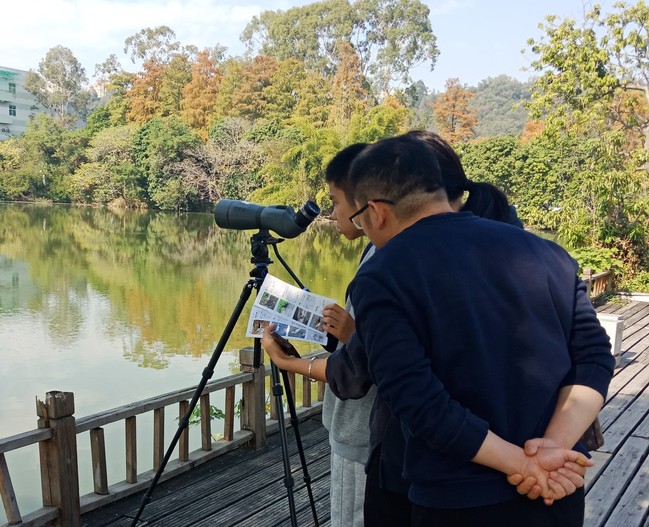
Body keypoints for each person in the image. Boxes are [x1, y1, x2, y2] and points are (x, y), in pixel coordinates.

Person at [263, 135, 615, 526]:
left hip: (457, 500)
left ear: (376, 212)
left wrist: (523, 464)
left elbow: (420, 401)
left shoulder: (384, 275)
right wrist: (552, 448)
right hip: (557, 491)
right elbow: (595, 356)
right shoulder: (546, 253)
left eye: (359, 218)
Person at [320, 142, 376, 527]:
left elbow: (364, 362)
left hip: (359, 432)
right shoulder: (377, 251)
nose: (333, 213)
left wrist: (289, 363)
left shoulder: (382, 263)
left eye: (335, 201)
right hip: (367, 430)